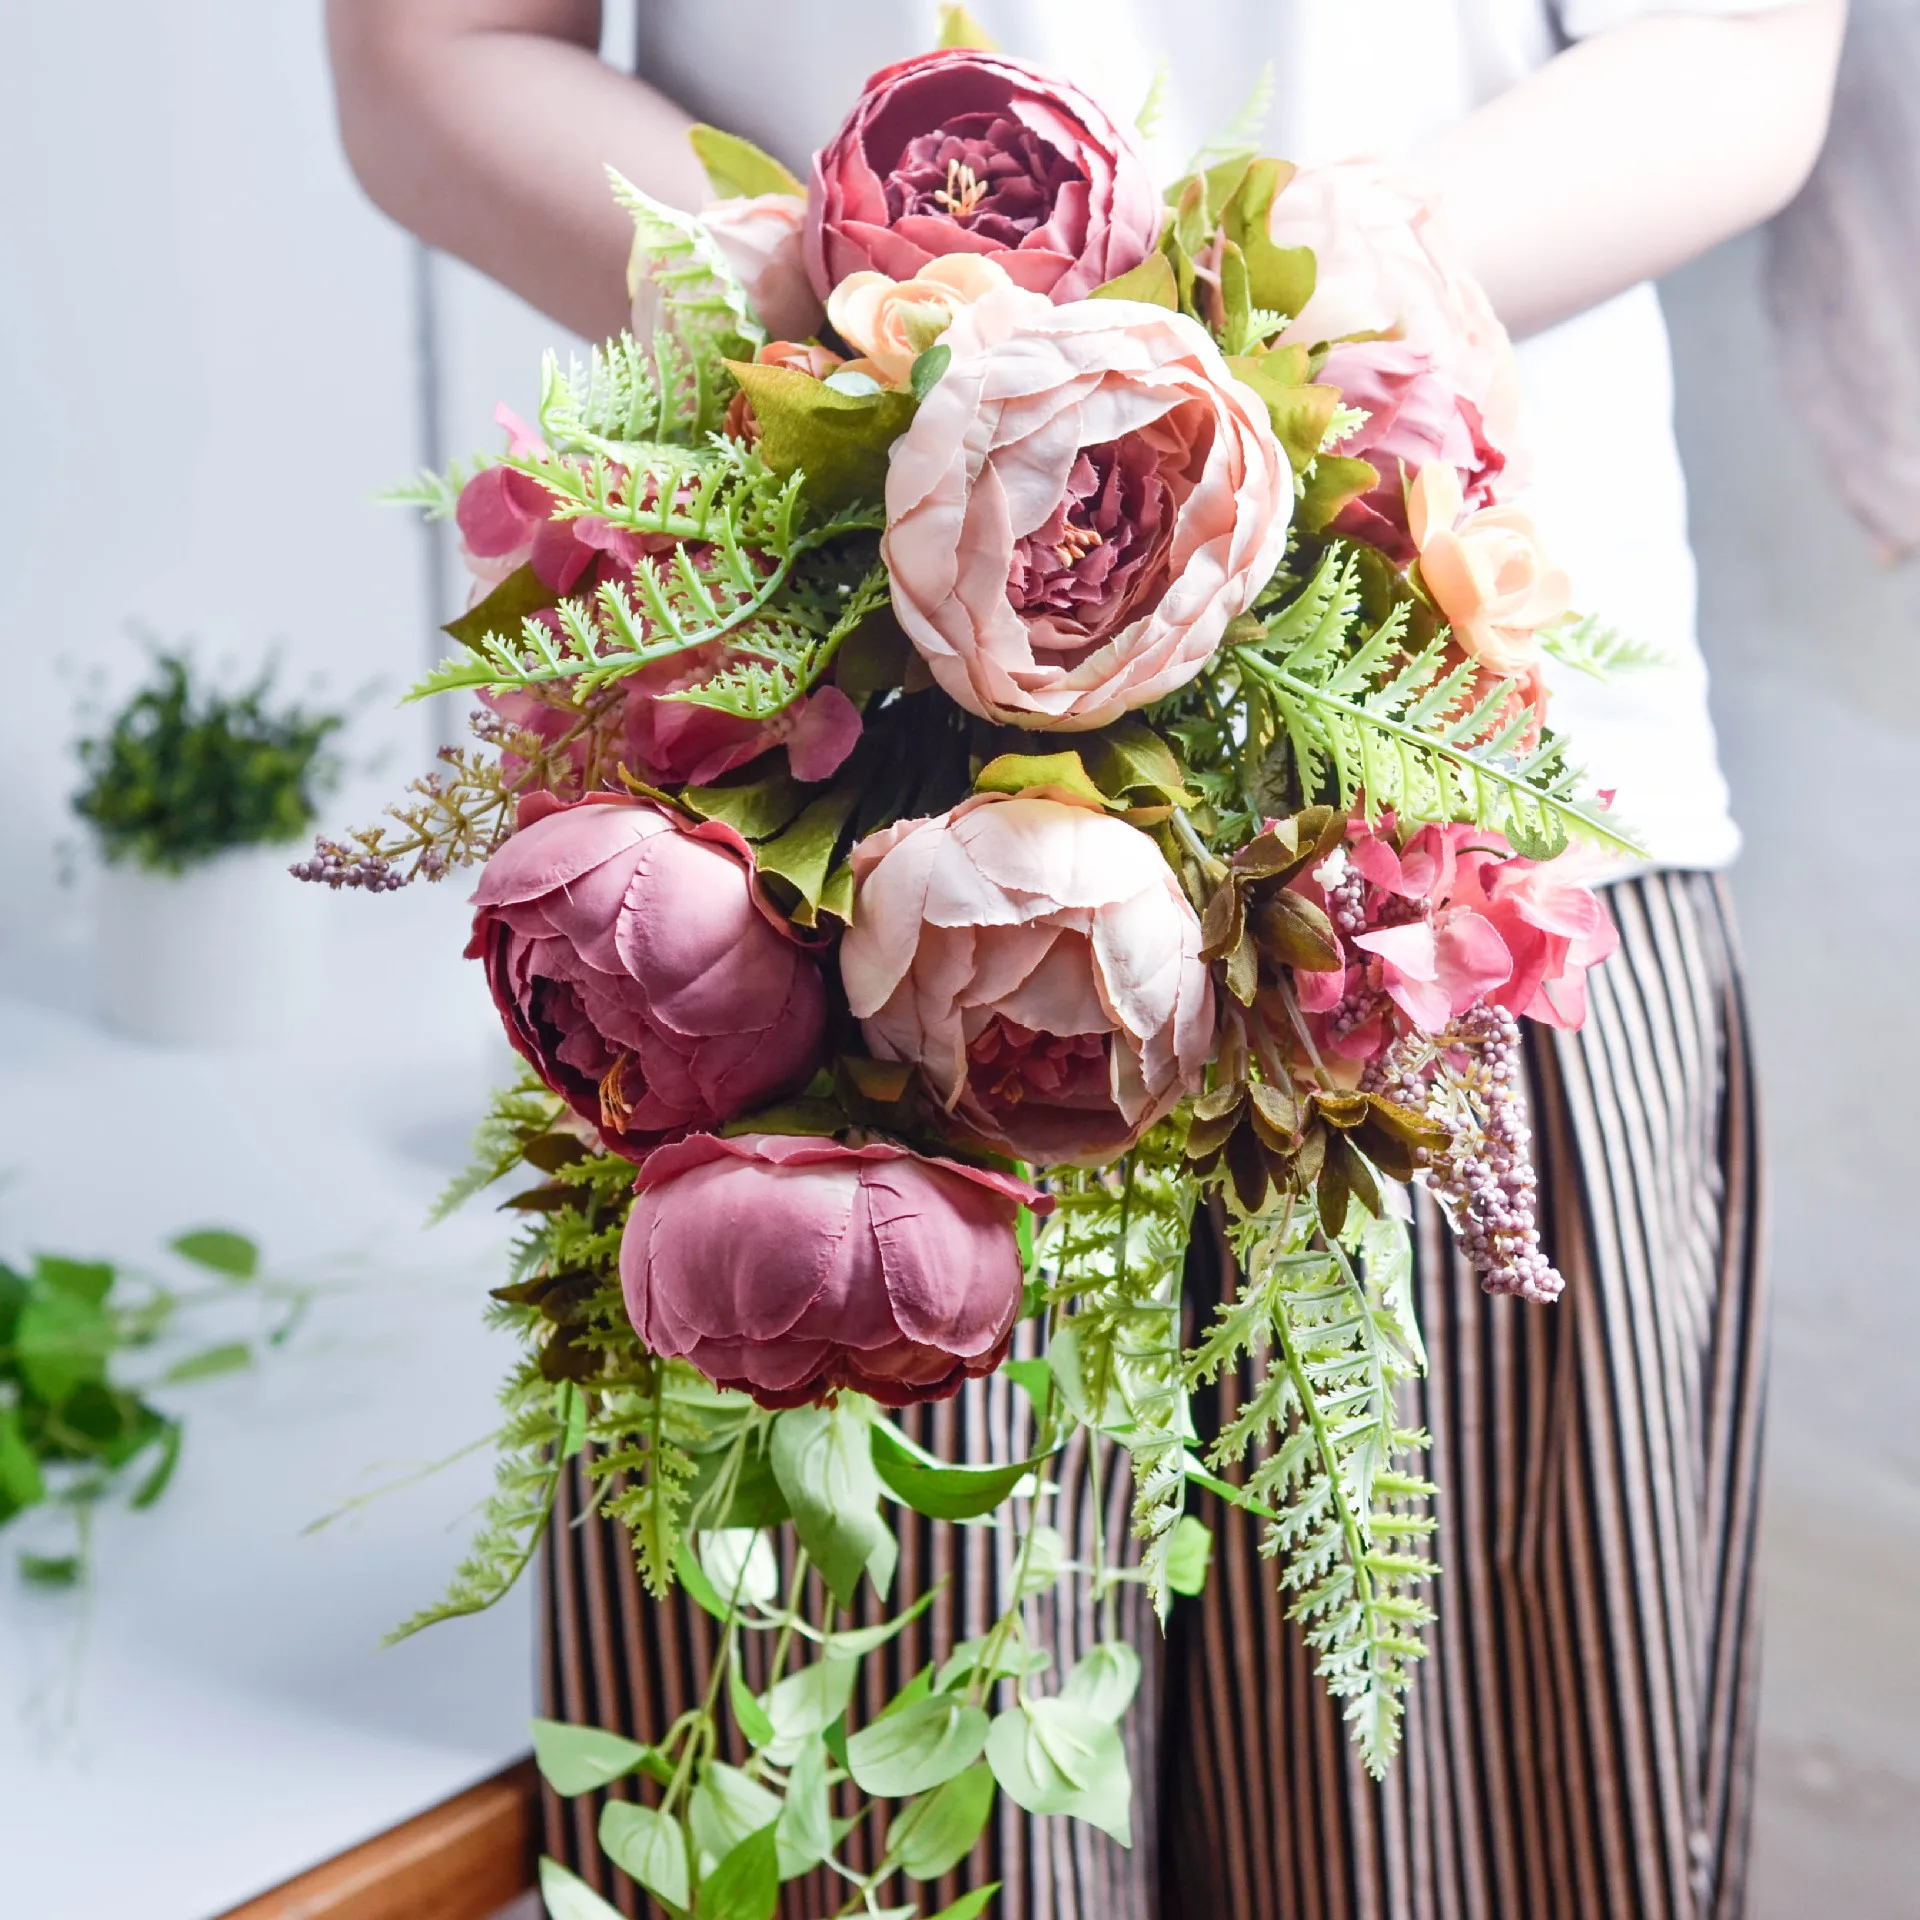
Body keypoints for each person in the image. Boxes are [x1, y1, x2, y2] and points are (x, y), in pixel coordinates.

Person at [325, 5, 1846, 1917]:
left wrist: (1237, 348)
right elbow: (427, 50)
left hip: (1439, 844)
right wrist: (866, 353)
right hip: (802, 854)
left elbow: (1739, 56)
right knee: (845, 1848)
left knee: (1476, 1845)